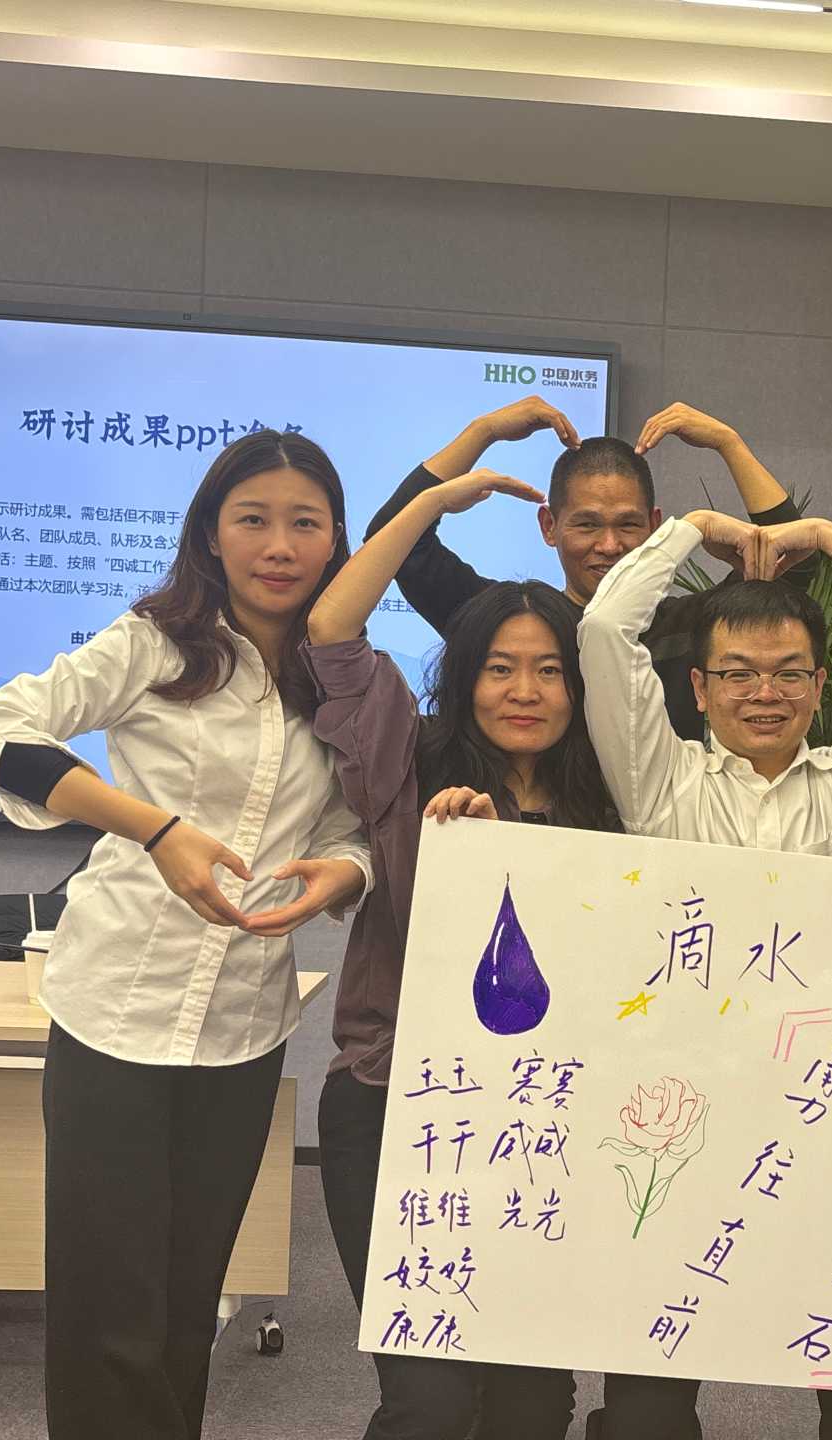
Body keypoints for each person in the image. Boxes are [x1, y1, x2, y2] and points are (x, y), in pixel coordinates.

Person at [0, 429, 375, 1440]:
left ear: (337, 541)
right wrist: (155, 828)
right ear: (212, 534)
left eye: (305, 523)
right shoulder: (153, 643)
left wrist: (343, 872)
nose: (280, 545)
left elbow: (348, 826)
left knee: (189, 1304)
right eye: (253, 520)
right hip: (116, 1010)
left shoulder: (342, 677)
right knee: (110, 1307)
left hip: (244, 1023)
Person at [577, 508, 832, 1440]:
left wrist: (831, 541)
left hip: (826, 1114)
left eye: (790, 673)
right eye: (739, 674)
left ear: (821, 686)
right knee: (650, 1398)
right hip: (682, 1113)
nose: (765, 693)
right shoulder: (660, 780)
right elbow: (605, 630)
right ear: (700, 688)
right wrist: (688, 529)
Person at [304, 467, 622, 1438]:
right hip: (397, 1110)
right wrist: (430, 505)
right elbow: (333, 632)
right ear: (466, 674)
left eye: (550, 671)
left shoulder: (616, 801)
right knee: (432, 1402)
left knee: (533, 1401)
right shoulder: (411, 766)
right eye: (499, 668)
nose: (524, 691)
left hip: (547, 1126)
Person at [368, 397, 815, 739]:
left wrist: (727, 442)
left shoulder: (690, 628)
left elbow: (792, 562)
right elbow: (395, 543)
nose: (609, 545)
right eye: (587, 525)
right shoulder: (509, 624)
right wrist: (482, 431)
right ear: (549, 526)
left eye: (628, 525)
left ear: (656, 527)